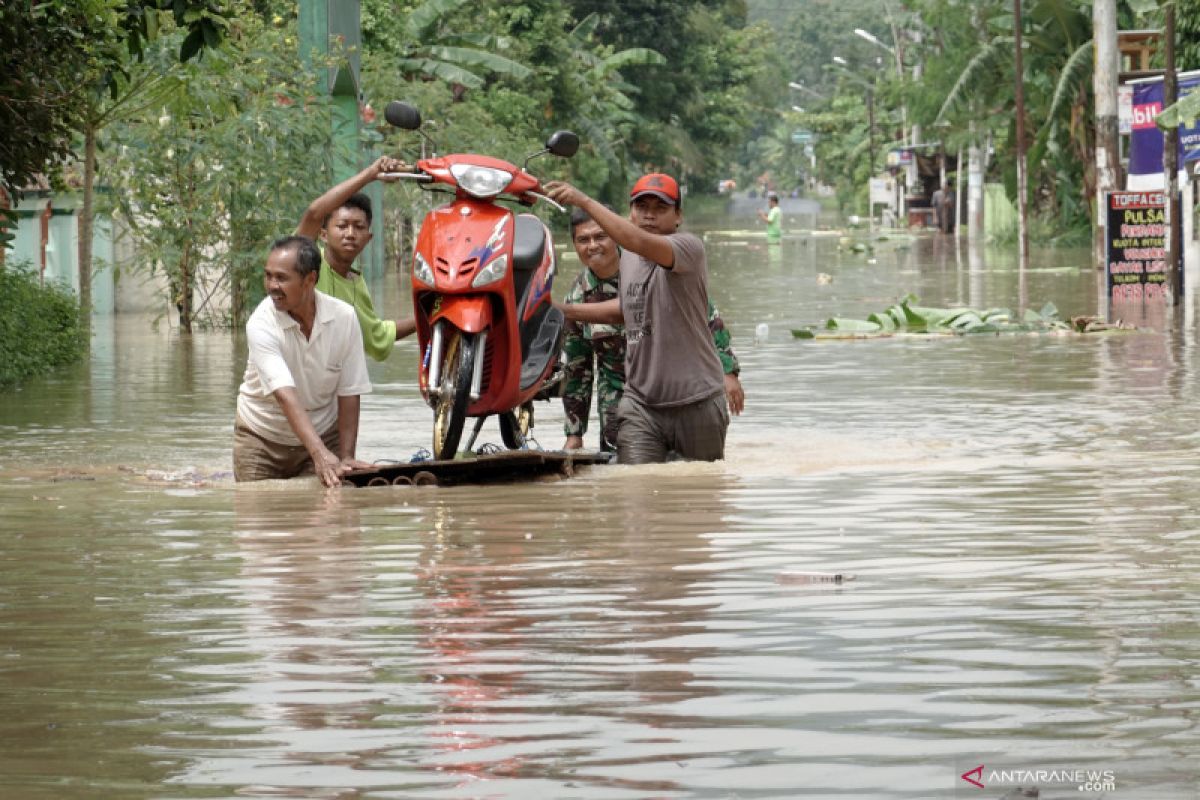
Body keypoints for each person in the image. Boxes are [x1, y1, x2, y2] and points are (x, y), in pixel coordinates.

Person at [545, 173, 729, 464]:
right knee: (634, 488)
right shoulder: (628, 258)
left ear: (678, 216)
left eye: (660, 208)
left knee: (698, 498)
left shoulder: (688, 248)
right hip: (640, 404)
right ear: (631, 212)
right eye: (642, 207)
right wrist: (560, 310)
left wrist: (583, 201)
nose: (649, 216)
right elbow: (627, 309)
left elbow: (638, 241)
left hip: (696, 403)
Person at [234, 236, 373, 488]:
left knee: (330, 513)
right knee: (254, 520)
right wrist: (319, 454)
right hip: (261, 438)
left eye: (281, 278)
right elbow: (285, 395)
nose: (272, 286)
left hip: (322, 432)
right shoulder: (260, 323)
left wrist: (347, 456)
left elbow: (350, 391)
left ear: (310, 279)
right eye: (268, 276)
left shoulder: (344, 317)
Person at [296, 156, 417, 361]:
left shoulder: (357, 286)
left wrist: (432, 316)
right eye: (342, 226)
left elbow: (377, 336)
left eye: (359, 227)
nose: (350, 234)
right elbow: (314, 214)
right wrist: (371, 174)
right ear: (323, 234)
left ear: (368, 239)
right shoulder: (306, 262)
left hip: (327, 379)